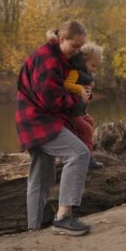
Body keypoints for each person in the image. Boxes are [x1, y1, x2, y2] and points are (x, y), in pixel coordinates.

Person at [16, 20, 92, 236]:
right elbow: (51, 98)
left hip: (32, 121)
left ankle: (33, 228)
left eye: (80, 47)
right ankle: (63, 217)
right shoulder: (47, 58)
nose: (76, 52)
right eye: (74, 46)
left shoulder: (57, 57)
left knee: (40, 175)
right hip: (39, 121)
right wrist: (77, 100)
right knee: (79, 153)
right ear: (61, 39)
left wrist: (79, 92)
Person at [47, 30, 104, 169]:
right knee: (86, 128)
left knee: (89, 121)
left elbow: (85, 97)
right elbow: (67, 84)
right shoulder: (75, 71)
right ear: (83, 61)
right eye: (92, 65)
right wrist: (79, 89)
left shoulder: (85, 75)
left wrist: (88, 94)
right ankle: (87, 157)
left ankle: (83, 150)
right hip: (69, 112)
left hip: (78, 110)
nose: (94, 69)